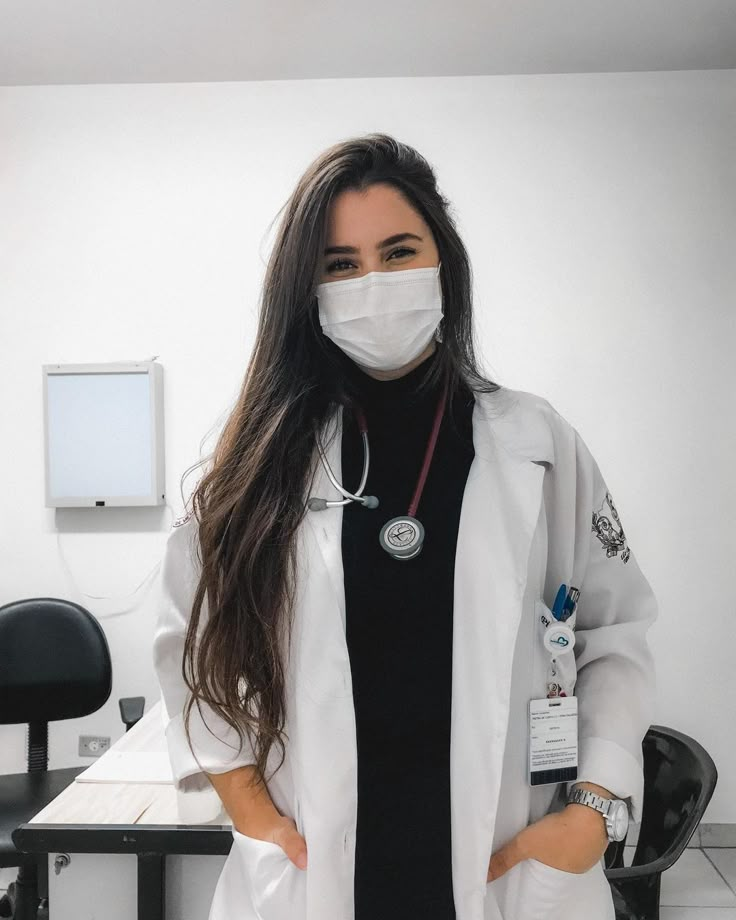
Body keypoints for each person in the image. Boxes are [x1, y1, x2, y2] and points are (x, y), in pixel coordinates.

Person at [152, 133, 658, 920]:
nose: (374, 283)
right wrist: (251, 812)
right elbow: (192, 648)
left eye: (398, 252)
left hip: (507, 860)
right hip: (317, 868)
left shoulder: (537, 444)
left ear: (443, 265)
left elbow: (614, 633)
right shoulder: (257, 461)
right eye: (341, 265)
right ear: (308, 291)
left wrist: (592, 809)